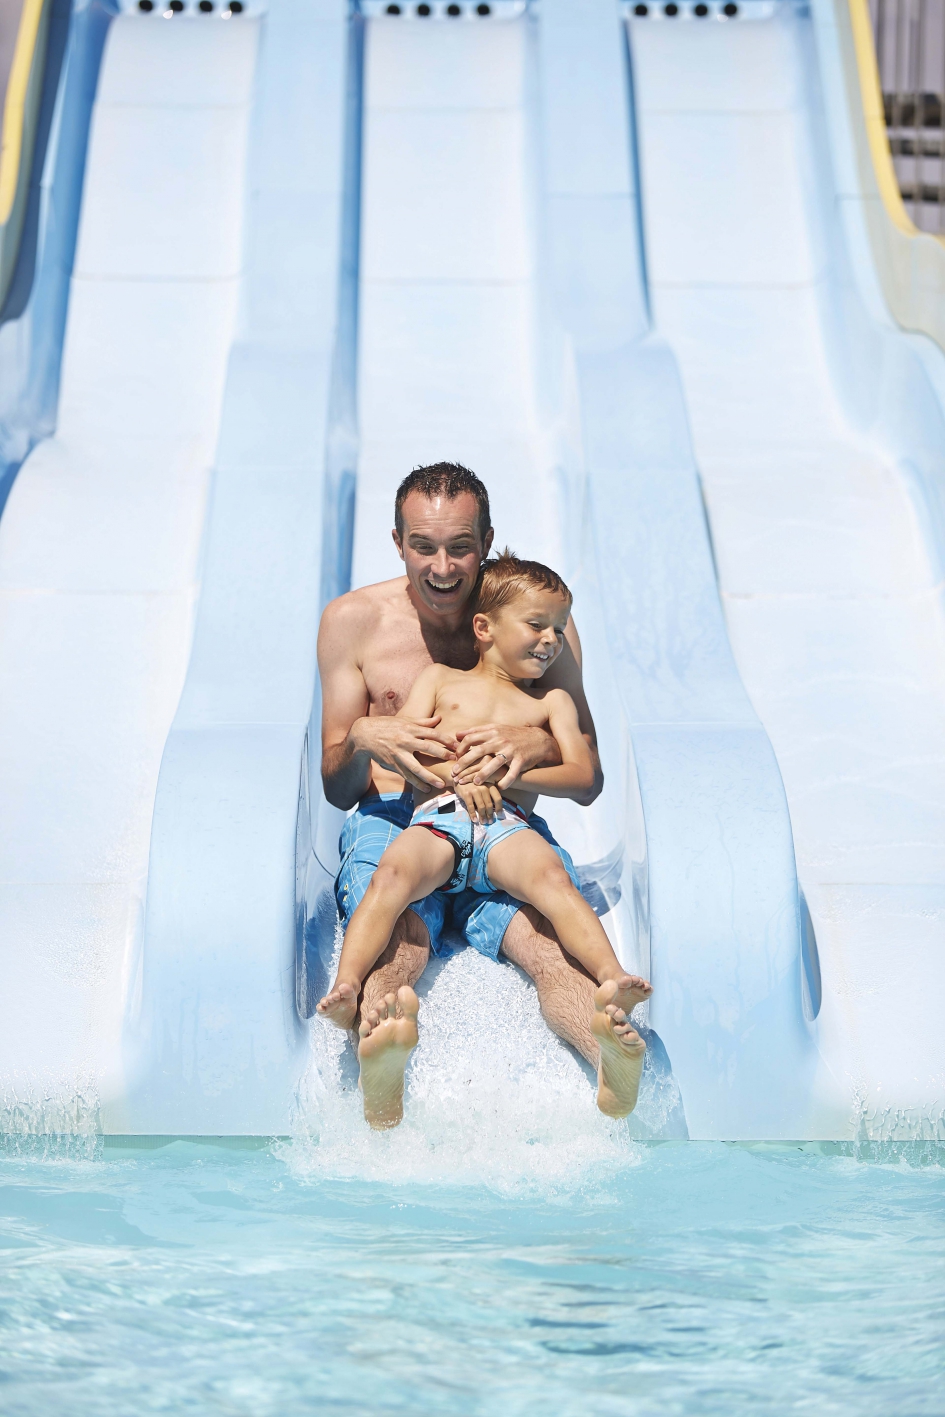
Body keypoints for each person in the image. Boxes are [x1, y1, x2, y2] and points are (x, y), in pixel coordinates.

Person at [316, 462, 652, 1127]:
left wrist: (531, 749)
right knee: (400, 937)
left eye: (460, 546)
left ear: (488, 538)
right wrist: (361, 735)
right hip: (401, 818)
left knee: (547, 948)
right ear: (396, 541)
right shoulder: (354, 622)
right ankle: (379, 1049)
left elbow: (583, 770)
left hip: (504, 824)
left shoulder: (534, 622)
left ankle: (608, 1051)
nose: (441, 567)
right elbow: (335, 785)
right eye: (423, 546)